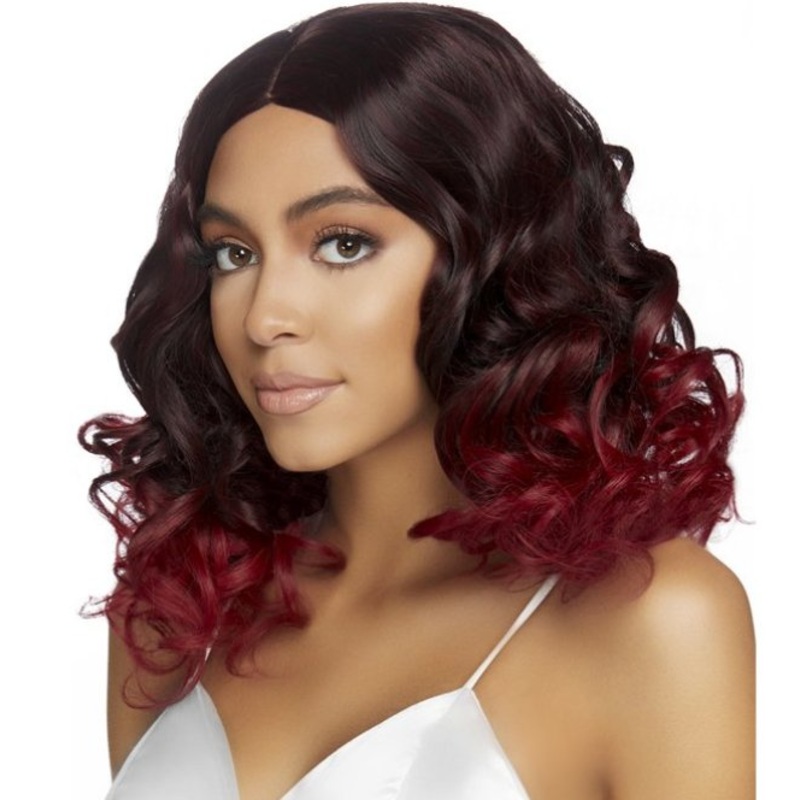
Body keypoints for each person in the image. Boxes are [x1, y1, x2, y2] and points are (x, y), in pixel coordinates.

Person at [81, 3, 754, 798]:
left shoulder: (648, 617)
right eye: (233, 253)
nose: (264, 317)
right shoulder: (178, 608)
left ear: (493, 254)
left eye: (343, 244)